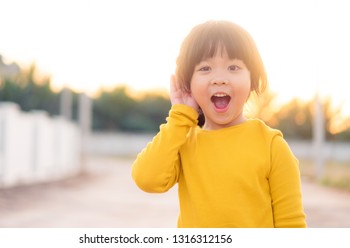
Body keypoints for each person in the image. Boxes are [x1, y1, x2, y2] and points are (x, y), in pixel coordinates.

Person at [131, 20, 307, 228]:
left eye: (233, 67)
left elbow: (291, 223)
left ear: (252, 80)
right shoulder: (184, 142)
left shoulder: (271, 146)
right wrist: (180, 116)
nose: (219, 79)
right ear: (188, 84)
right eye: (205, 68)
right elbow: (147, 178)